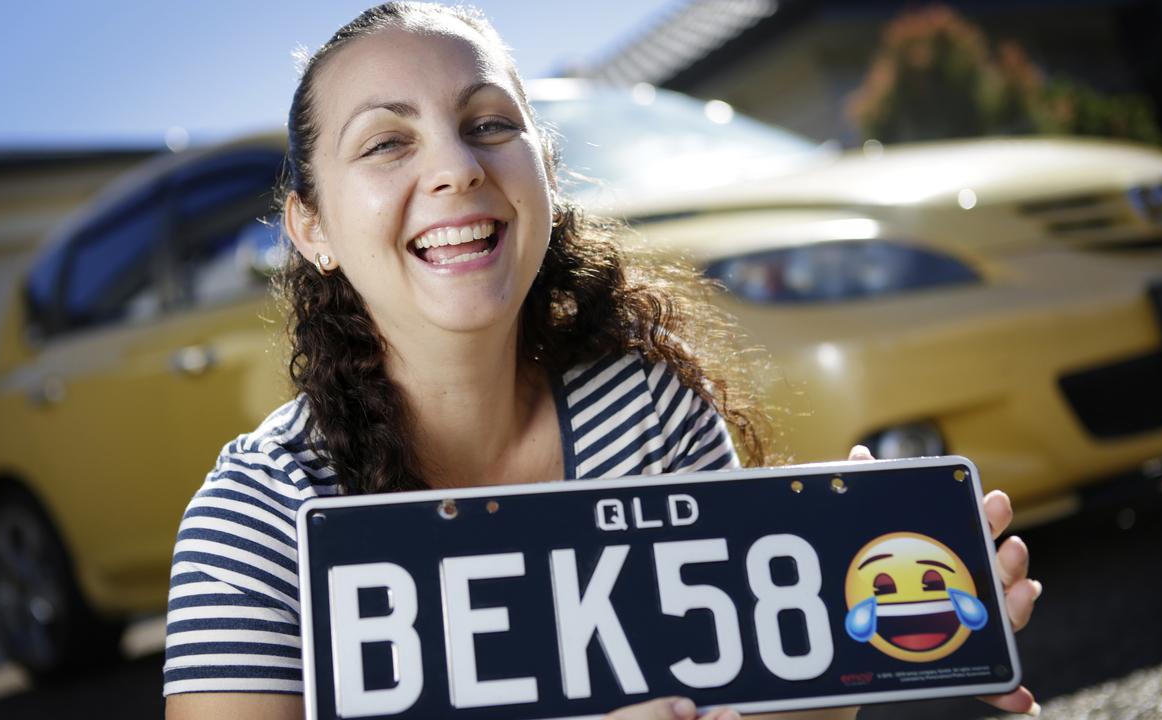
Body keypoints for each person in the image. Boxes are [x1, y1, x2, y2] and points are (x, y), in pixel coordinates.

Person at [162, 3, 1042, 719]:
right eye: (388, 142)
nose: (458, 167)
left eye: (489, 123)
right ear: (311, 229)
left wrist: (856, 656)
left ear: (543, 166)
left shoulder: (650, 406)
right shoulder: (257, 521)